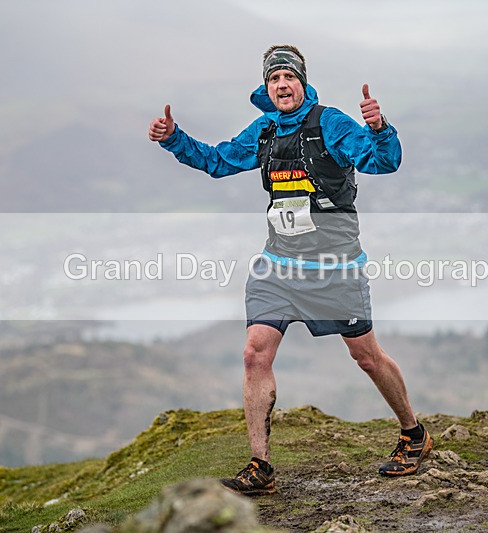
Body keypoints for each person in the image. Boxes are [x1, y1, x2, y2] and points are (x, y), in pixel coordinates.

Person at [148, 45, 431, 495]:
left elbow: (383, 161)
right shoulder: (264, 130)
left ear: (302, 82)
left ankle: (414, 434)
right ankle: (260, 465)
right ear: (266, 88)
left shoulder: (330, 123)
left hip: (335, 266)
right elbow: (218, 161)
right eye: (273, 79)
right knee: (254, 351)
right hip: (278, 265)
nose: (282, 85)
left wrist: (379, 128)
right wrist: (173, 139)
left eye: (288, 77)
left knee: (366, 356)